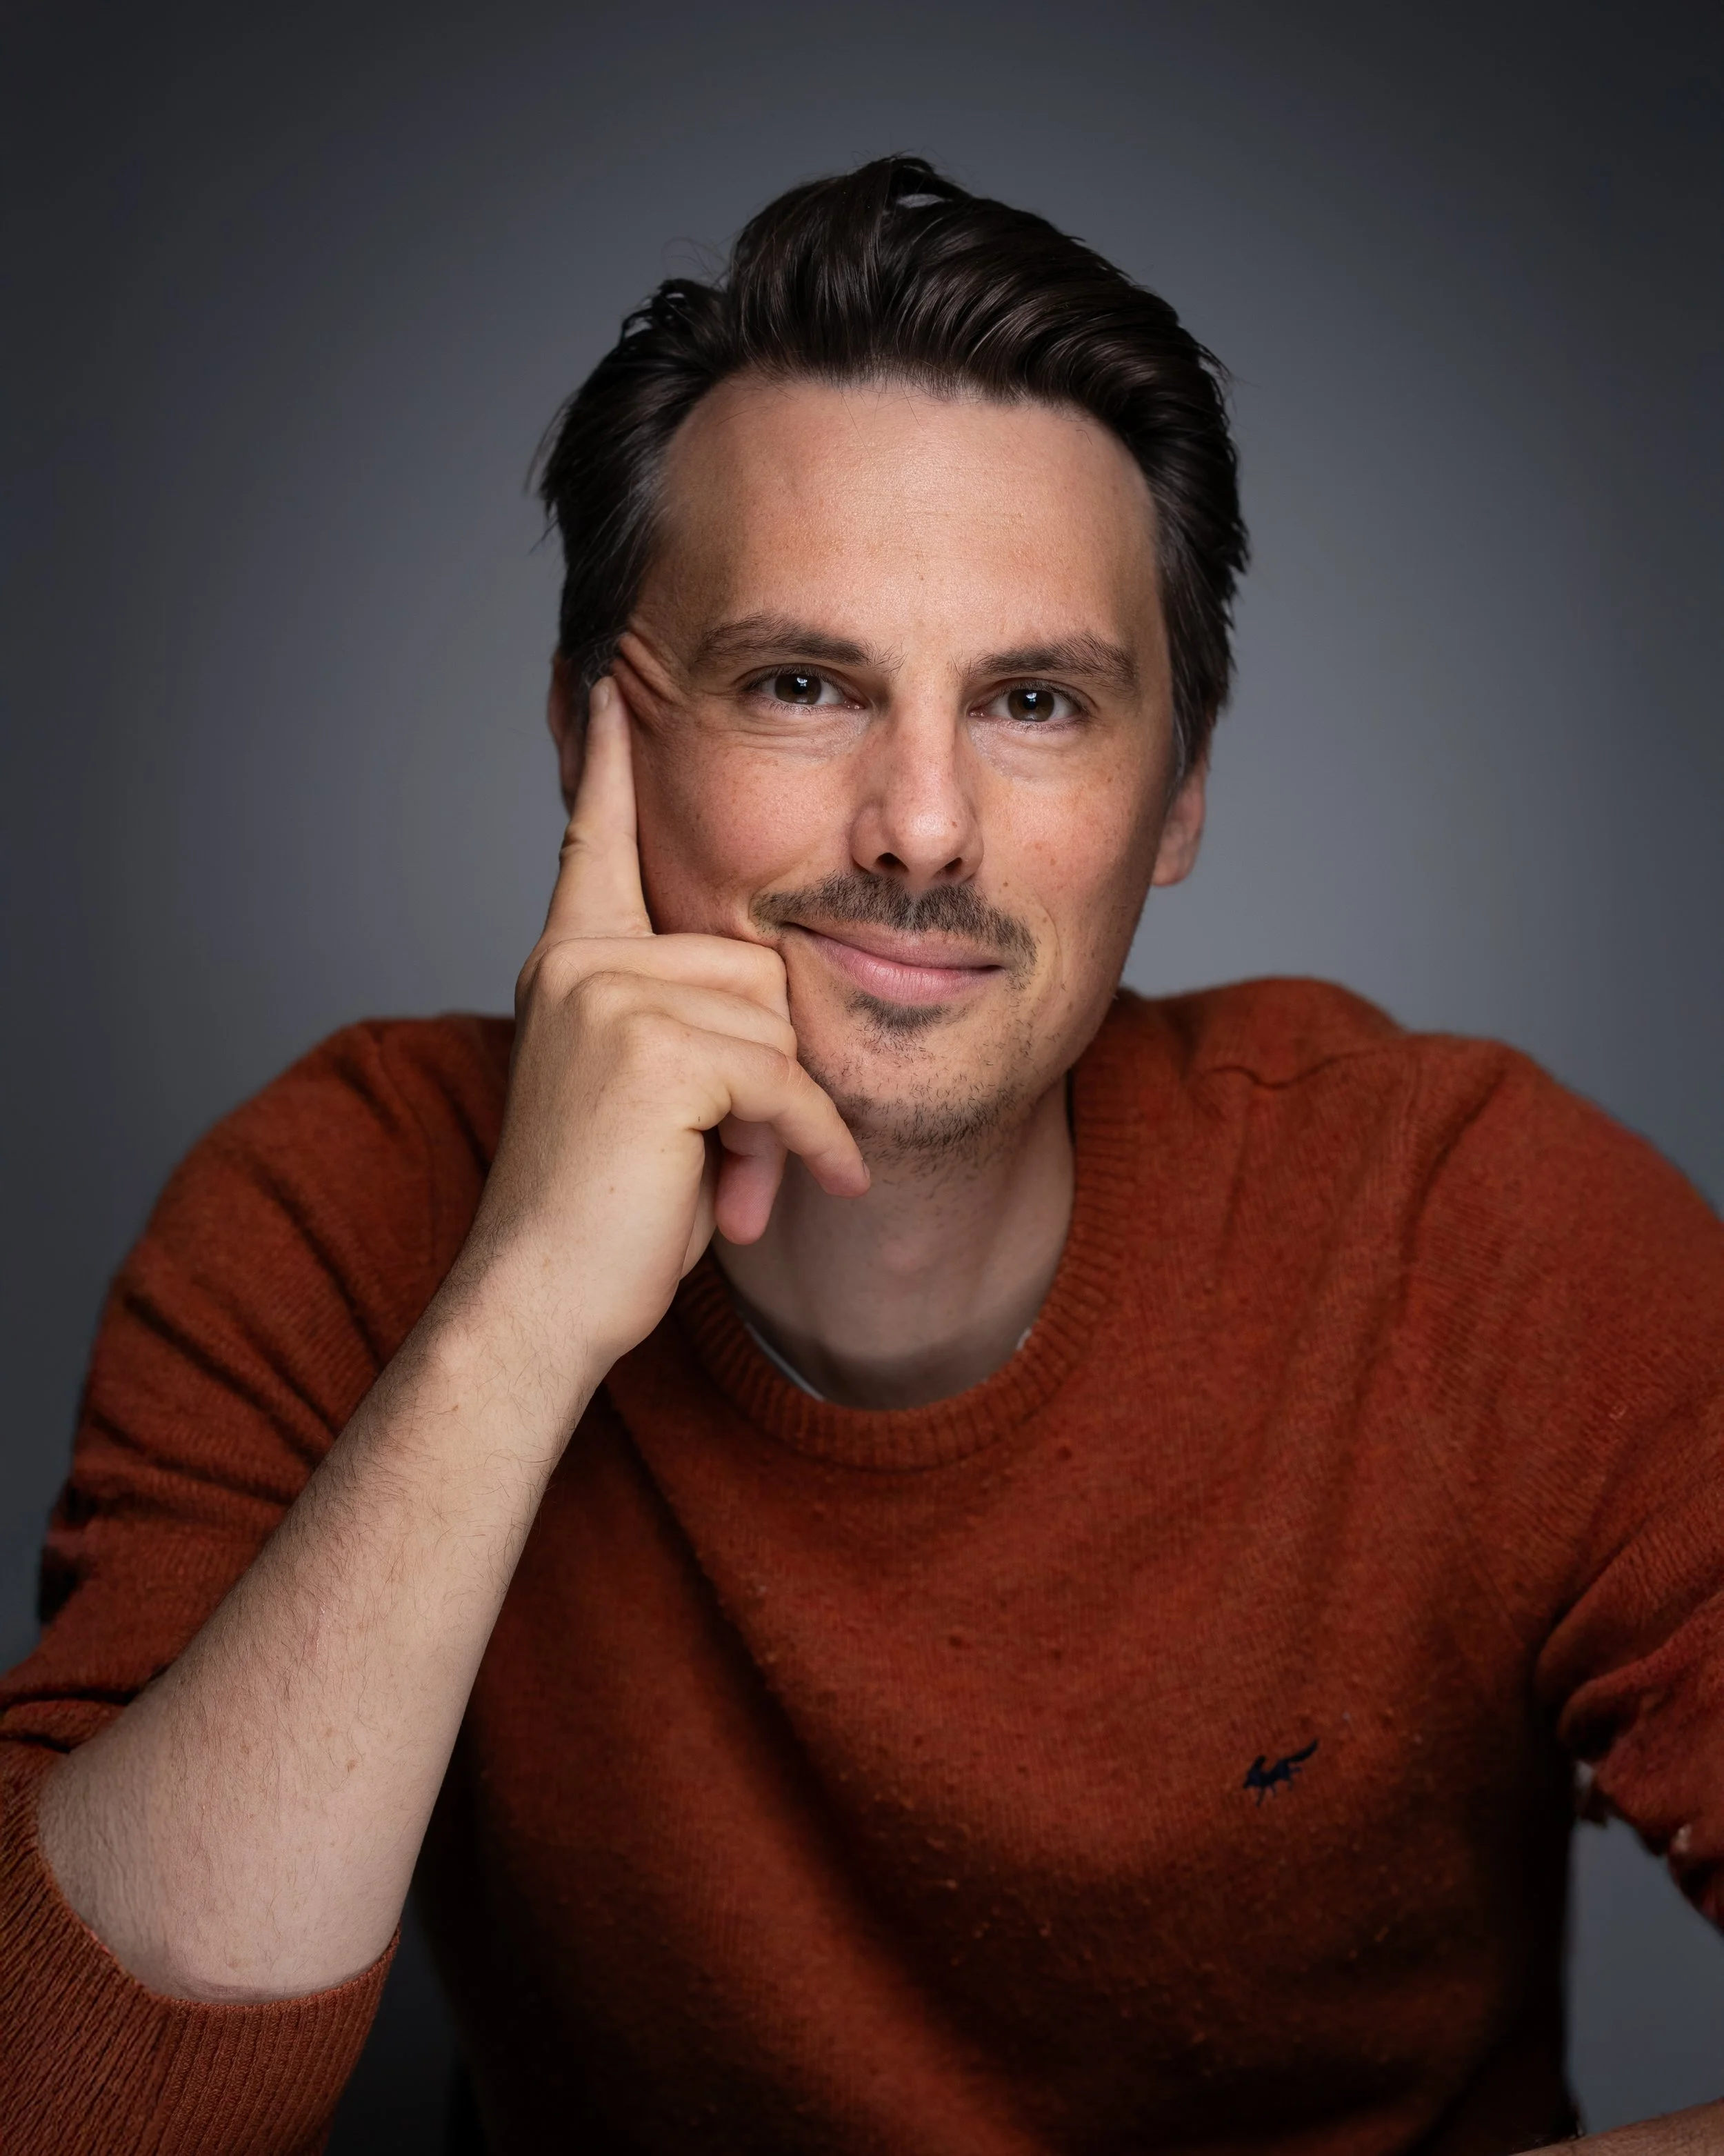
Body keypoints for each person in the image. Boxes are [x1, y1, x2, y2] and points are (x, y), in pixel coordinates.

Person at [1, 156, 1721, 2156]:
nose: (919, 826)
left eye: (1036, 702)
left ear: (1175, 794)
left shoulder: (1473, 1232)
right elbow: (58, 2109)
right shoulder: (338, 1206)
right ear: (591, 739)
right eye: (800, 683)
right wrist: (515, 1318)